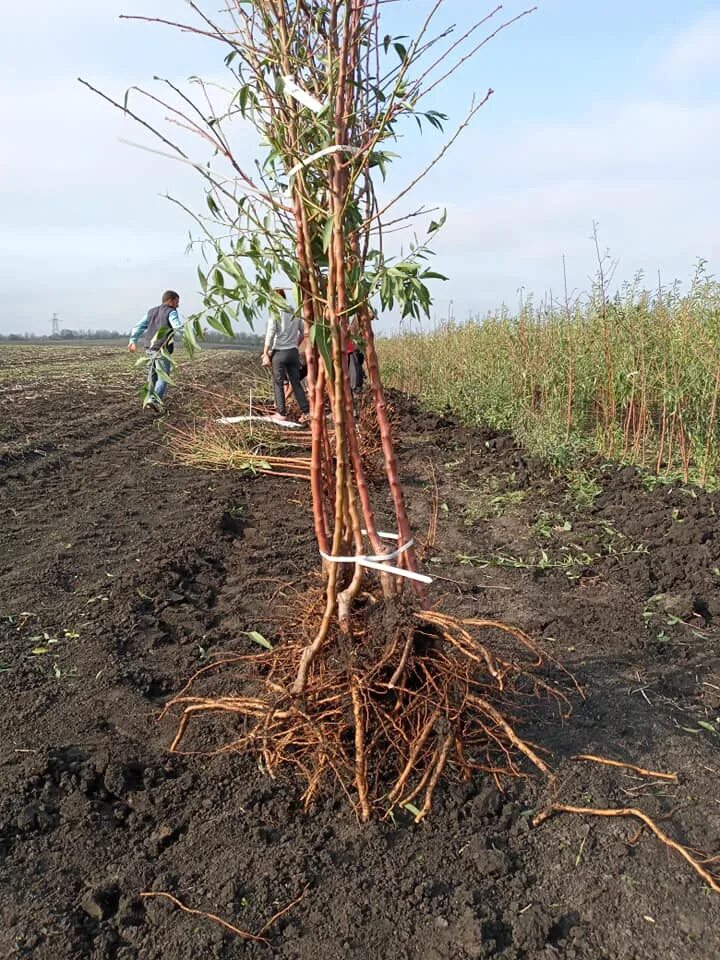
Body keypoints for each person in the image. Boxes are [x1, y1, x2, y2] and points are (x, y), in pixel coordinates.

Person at [127, 290, 182, 412]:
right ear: (170, 301)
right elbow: (177, 326)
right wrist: (191, 333)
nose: (178, 305)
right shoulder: (171, 311)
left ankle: (148, 398)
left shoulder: (151, 312)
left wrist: (133, 340)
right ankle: (154, 400)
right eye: (177, 302)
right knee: (163, 377)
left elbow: (139, 326)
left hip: (150, 349)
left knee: (152, 376)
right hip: (162, 350)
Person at [263, 288, 309, 423]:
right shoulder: (294, 311)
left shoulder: (275, 312)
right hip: (293, 353)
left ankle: (281, 413)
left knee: (278, 383)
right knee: (296, 383)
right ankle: (306, 412)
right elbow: (304, 331)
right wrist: (296, 342)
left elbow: (270, 333)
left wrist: (265, 352)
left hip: (279, 352)